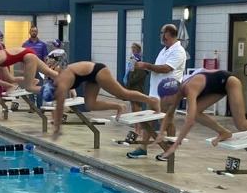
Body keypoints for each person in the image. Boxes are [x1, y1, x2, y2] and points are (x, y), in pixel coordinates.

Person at [154, 70, 247, 160]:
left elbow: (190, 121)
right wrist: (160, 134)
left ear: (171, 94)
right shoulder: (178, 91)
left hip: (230, 82)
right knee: (195, 112)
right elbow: (169, 114)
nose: (164, 101)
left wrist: (175, 146)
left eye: (164, 98)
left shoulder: (190, 89)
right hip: (216, 87)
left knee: (242, 125)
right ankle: (224, 132)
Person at [47, 61, 160, 139]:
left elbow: (60, 106)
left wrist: (57, 127)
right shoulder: (56, 83)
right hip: (89, 77)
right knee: (90, 105)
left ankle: (152, 100)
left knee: (121, 93)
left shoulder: (61, 84)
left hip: (98, 71)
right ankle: (119, 107)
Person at [126, 24, 186, 159]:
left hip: (168, 93)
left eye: (162, 32)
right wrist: (145, 67)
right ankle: (143, 148)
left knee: (167, 121)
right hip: (154, 93)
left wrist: (146, 65)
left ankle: (170, 151)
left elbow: (166, 68)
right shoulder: (164, 50)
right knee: (148, 121)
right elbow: (157, 68)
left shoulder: (178, 51)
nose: (160, 35)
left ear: (168, 34)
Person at [123, 43, 145, 141]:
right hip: (132, 89)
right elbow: (128, 76)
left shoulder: (141, 69)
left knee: (137, 110)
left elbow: (134, 79)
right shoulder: (131, 67)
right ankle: (136, 128)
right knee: (133, 109)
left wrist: (131, 76)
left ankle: (138, 129)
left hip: (138, 90)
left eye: (134, 48)